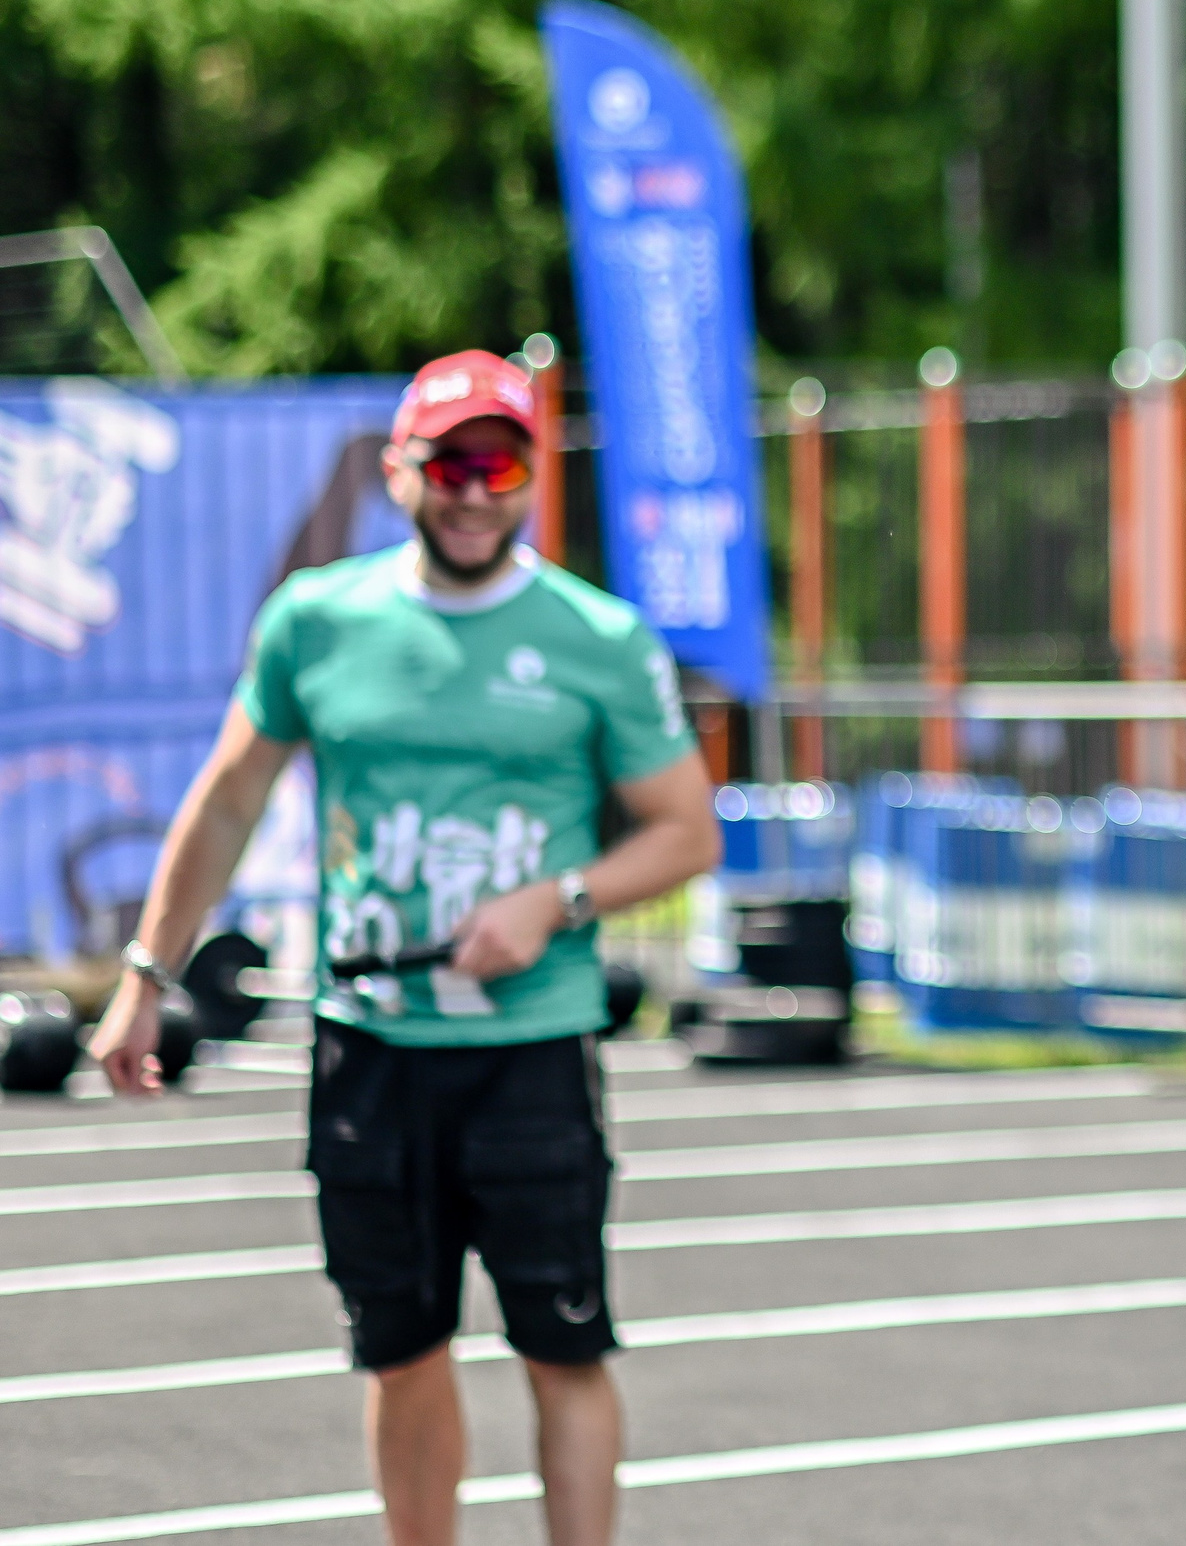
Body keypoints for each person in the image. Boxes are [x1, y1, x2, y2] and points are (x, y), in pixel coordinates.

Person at [90, 349, 722, 1546]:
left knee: (563, 1349)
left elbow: (685, 832)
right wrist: (144, 977)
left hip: (531, 1054)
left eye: (500, 466)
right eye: (448, 465)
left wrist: (554, 900)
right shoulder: (317, 620)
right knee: (400, 1351)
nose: (473, 491)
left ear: (532, 476)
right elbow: (227, 803)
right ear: (398, 472)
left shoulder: (596, 636)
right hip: (370, 1055)